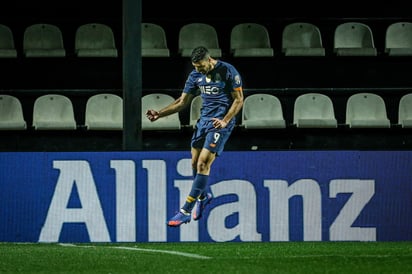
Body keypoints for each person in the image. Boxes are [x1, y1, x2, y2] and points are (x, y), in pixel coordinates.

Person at [146, 46, 244, 227]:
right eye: (195, 67)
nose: (198, 70)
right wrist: (159, 114)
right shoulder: (195, 75)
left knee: (202, 163)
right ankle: (203, 195)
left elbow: (239, 99)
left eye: (201, 66)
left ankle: (185, 210)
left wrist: (225, 120)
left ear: (209, 59)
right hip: (204, 121)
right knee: (193, 163)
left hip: (220, 123)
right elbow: (182, 102)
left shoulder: (227, 71)